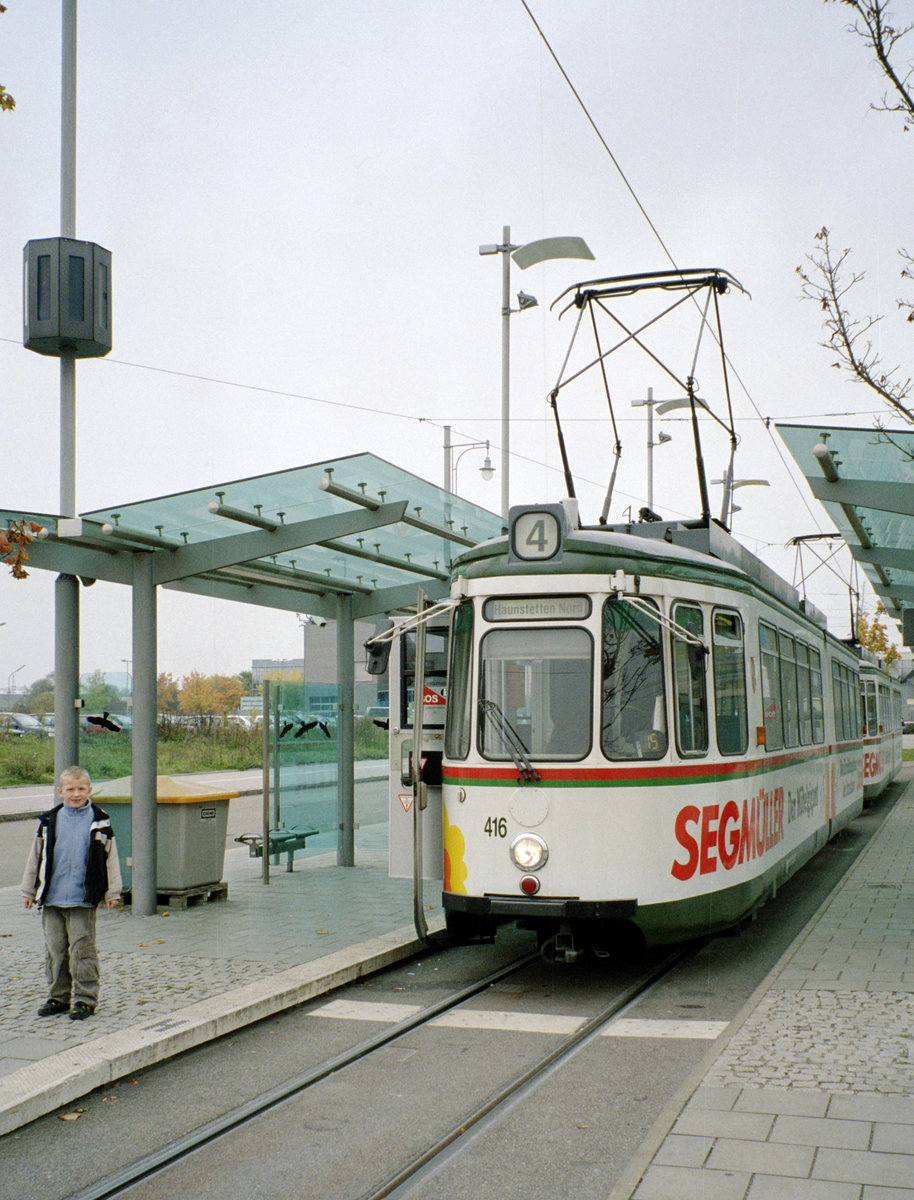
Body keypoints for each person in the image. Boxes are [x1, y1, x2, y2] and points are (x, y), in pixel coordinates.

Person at [20, 765, 122, 1021]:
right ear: (60, 792)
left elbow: (111, 859)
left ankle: (85, 1000)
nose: (76, 794)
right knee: (55, 950)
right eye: (70, 789)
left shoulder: (100, 821)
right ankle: (58, 997)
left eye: (81, 789)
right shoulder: (49, 822)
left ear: (89, 790)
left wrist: (112, 893)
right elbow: (35, 858)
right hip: (52, 899)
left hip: (82, 900)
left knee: (82, 951)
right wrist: (28, 890)